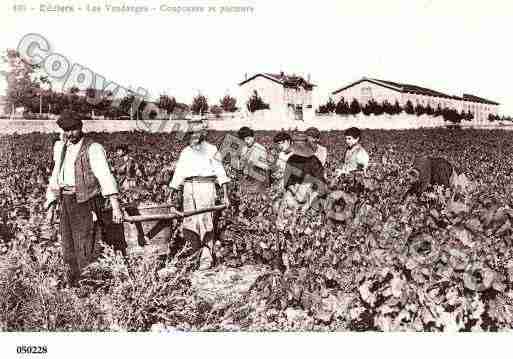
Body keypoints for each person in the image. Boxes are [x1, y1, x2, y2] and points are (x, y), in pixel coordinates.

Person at [44, 110, 123, 286]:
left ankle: (89, 283)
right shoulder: (62, 148)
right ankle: (73, 282)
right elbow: (56, 177)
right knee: (68, 243)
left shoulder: (93, 148)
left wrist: (115, 205)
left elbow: (105, 177)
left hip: (86, 201)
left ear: (80, 127)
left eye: (72, 129)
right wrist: (51, 203)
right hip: (66, 200)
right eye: (66, 130)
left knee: (85, 242)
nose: (69, 134)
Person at [167, 120, 231, 271]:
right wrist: (171, 195)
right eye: (192, 133)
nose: (194, 136)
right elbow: (178, 175)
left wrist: (226, 196)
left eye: (197, 133)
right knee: (190, 223)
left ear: (203, 133)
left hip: (206, 187)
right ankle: (194, 255)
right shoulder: (186, 152)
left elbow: (221, 174)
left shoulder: (211, 149)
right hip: (189, 188)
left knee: (206, 222)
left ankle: (206, 258)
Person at [235, 126, 270, 194]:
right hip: (246, 179)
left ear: (252, 137)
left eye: (248, 139)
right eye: (244, 140)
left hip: (257, 179)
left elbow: (265, 166)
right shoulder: (244, 149)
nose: (246, 141)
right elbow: (241, 164)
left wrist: (253, 164)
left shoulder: (260, 149)